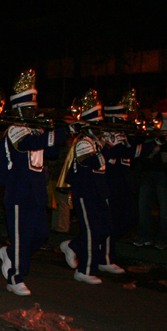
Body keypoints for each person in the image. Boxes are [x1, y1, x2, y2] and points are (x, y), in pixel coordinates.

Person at [0, 70, 76, 295]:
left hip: (37, 191)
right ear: (19, 109)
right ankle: (15, 277)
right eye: (30, 108)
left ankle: (11, 253)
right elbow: (29, 144)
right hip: (18, 192)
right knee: (22, 235)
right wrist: (61, 132)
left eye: (35, 106)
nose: (35, 110)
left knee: (41, 234)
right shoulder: (15, 130)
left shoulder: (37, 129)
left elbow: (51, 152)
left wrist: (53, 129)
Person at [58, 89, 113, 284]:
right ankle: (85, 270)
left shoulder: (96, 142)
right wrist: (109, 146)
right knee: (92, 231)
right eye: (97, 124)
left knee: (105, 227)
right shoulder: (83, 142)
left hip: (99, 191)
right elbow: (93, 163)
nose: (100, 128)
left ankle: (73, 245)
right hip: (86, 192)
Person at [98, 91, 155, 272]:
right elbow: (123, 152)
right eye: (121, 118)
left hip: (125, 183)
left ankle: (93, 247)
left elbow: (136, 150)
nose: (125, 121)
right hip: (110, 182)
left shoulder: (123, 133)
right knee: (111, 221)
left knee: (130, 218)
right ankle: (105, 258)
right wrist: (151, 145)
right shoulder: (106, 133)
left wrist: (154, 138)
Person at [134, 98, 167, 249]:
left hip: (162, 172)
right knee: (145, 207)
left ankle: (160, 239)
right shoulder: (153, 127)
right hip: (150, 170)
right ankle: (146, 237)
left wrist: (160, 143)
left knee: (163, 209)